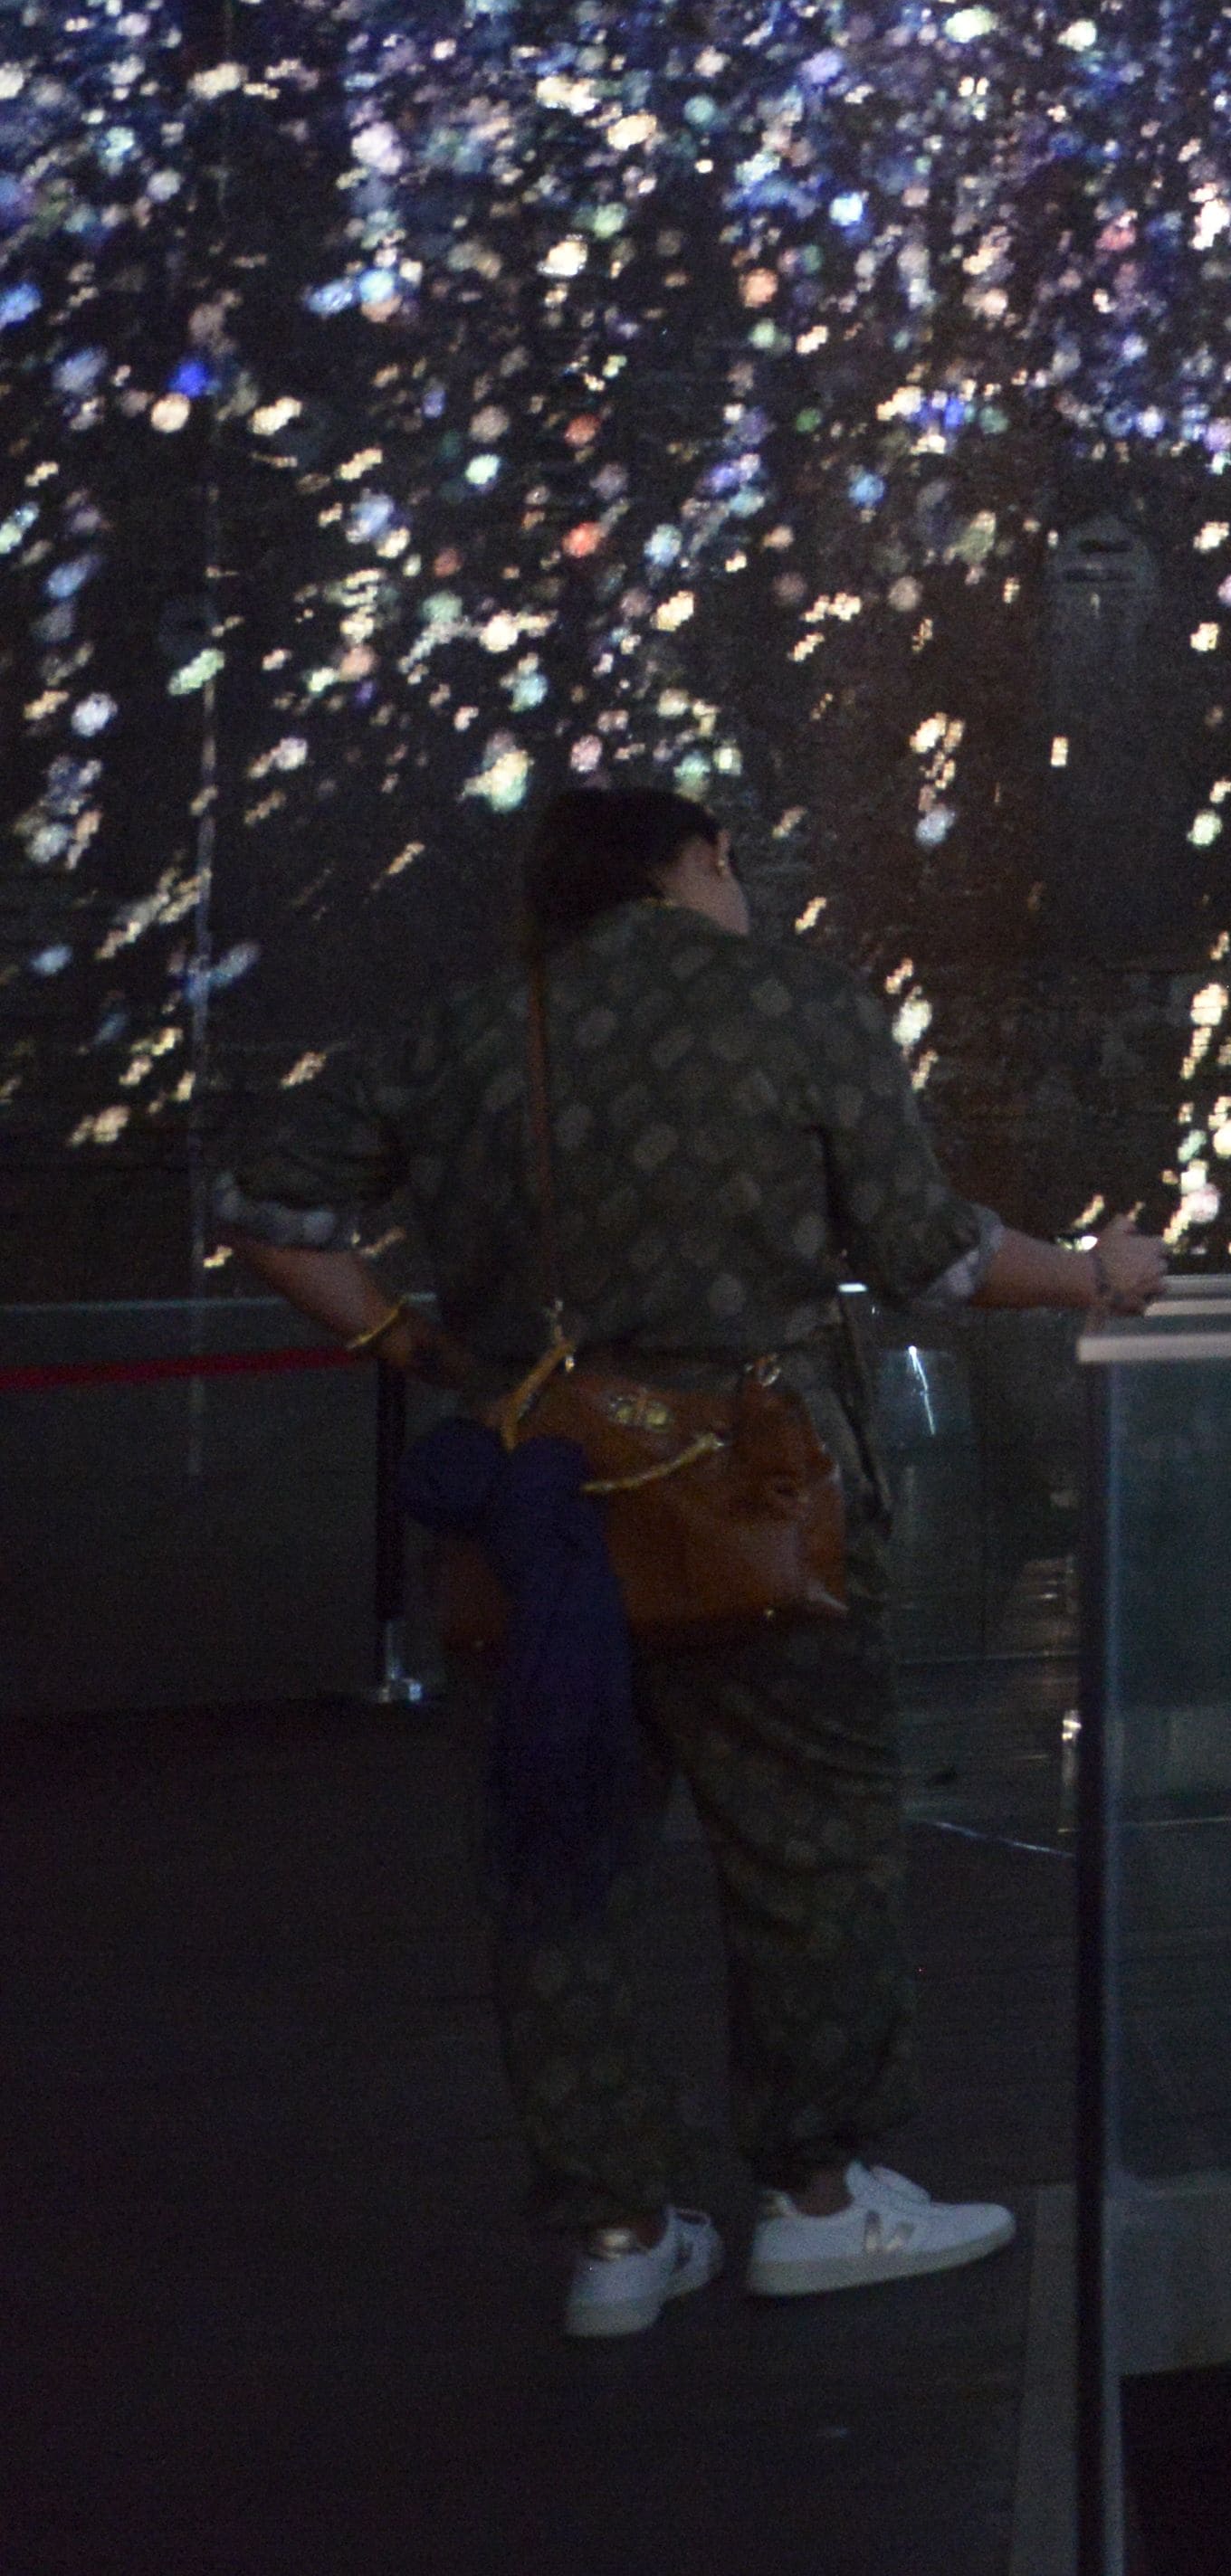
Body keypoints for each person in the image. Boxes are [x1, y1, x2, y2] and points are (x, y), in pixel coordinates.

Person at [214, 784, 1170, 2339]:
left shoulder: (467, 1027)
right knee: (811, 1852)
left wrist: (413, 1347)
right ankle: (818, 2203)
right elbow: (929, 1254)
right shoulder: (796, 1000)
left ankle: (615, 2235)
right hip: (755, 1505)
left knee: (559, 1860)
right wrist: (1098, 1275)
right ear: (704, 857)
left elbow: (265, 1210)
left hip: (533, 1513)